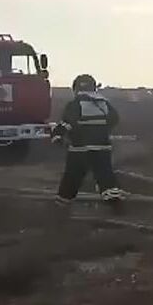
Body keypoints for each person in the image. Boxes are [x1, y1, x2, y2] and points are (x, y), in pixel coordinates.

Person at [52, 74, 123, 209]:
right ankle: (115, 206)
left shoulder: (75, 104)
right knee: (105, 175)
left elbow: (66, 124)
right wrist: (102, 131)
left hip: (80, 150)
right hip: (102, 148)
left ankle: (61, 207)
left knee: (72, 178)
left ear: (76, 88)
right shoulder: (104, 103)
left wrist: (57, 137)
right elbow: (114, 119)